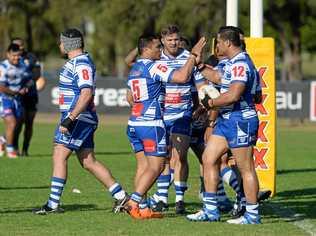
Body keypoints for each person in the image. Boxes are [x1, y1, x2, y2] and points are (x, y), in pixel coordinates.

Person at [32, 28, 128, 215]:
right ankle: (121, 196)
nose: (59, 45)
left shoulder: (81, 63)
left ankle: (52, 204)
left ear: (69, 44)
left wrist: (70, 118)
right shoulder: (78, 62)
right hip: (81, 118)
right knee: (88, 161)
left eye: (61, 42)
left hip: (78, 119)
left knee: (59, 154)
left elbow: (86, 93)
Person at [124, 34, 206, 219]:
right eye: (156, 47)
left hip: (134, 123)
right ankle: (134, 202)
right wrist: (193, 56)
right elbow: (183, 76)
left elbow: (129, 97)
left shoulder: (136, 67)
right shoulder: (154, 66)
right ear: (145, 50)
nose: (160, 50)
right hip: (151, 124)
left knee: (143, 166)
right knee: (158, 166)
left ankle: (143, 208)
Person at [186, 27, 261, 224]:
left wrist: (209, 103)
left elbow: (233, 95)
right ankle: (211, 210)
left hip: (240, 120)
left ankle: (252, 215)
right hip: (227, 120)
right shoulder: (232, 63)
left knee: (246, 168)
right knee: (208, 159)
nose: (216, 46)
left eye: (218, 42)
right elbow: (219, 78)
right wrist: (200, 64)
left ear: (227, 43)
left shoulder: (241, 64)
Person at [150, 25, 207, 214]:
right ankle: (162, 197)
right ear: (163, 40)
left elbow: (200, 85)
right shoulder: (157, 58)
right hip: (161, 115)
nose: (174, 43)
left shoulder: (188, 58)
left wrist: (203, 103)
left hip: (183, 114)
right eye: (170, 40)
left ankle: (180, 199)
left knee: (180, 155)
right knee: (164, 157)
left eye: (176, 39)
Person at [11, 37, 45, 156]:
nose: (19, 48)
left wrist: (27, 86)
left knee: (29, 124)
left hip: (31, 96)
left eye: (20, 45)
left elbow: (36, 75)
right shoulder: (11, 59)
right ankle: (14, 149)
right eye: (16, 46)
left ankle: (25, 150)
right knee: (17, 123)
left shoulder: (31, 58)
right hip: (16, 97)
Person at [0, 43, 30, 158]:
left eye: (18, 55)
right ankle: (10, 149)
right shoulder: (3, 67)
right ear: (8, 54)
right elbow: (1, 86)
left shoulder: (22, 65)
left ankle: (2, 140)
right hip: (4, 99)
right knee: (12, 122)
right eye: (13, 55)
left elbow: (29, 80)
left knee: (16, 125)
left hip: (17, 100)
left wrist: (26, 87)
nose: (16, 58)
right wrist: (16, 92)